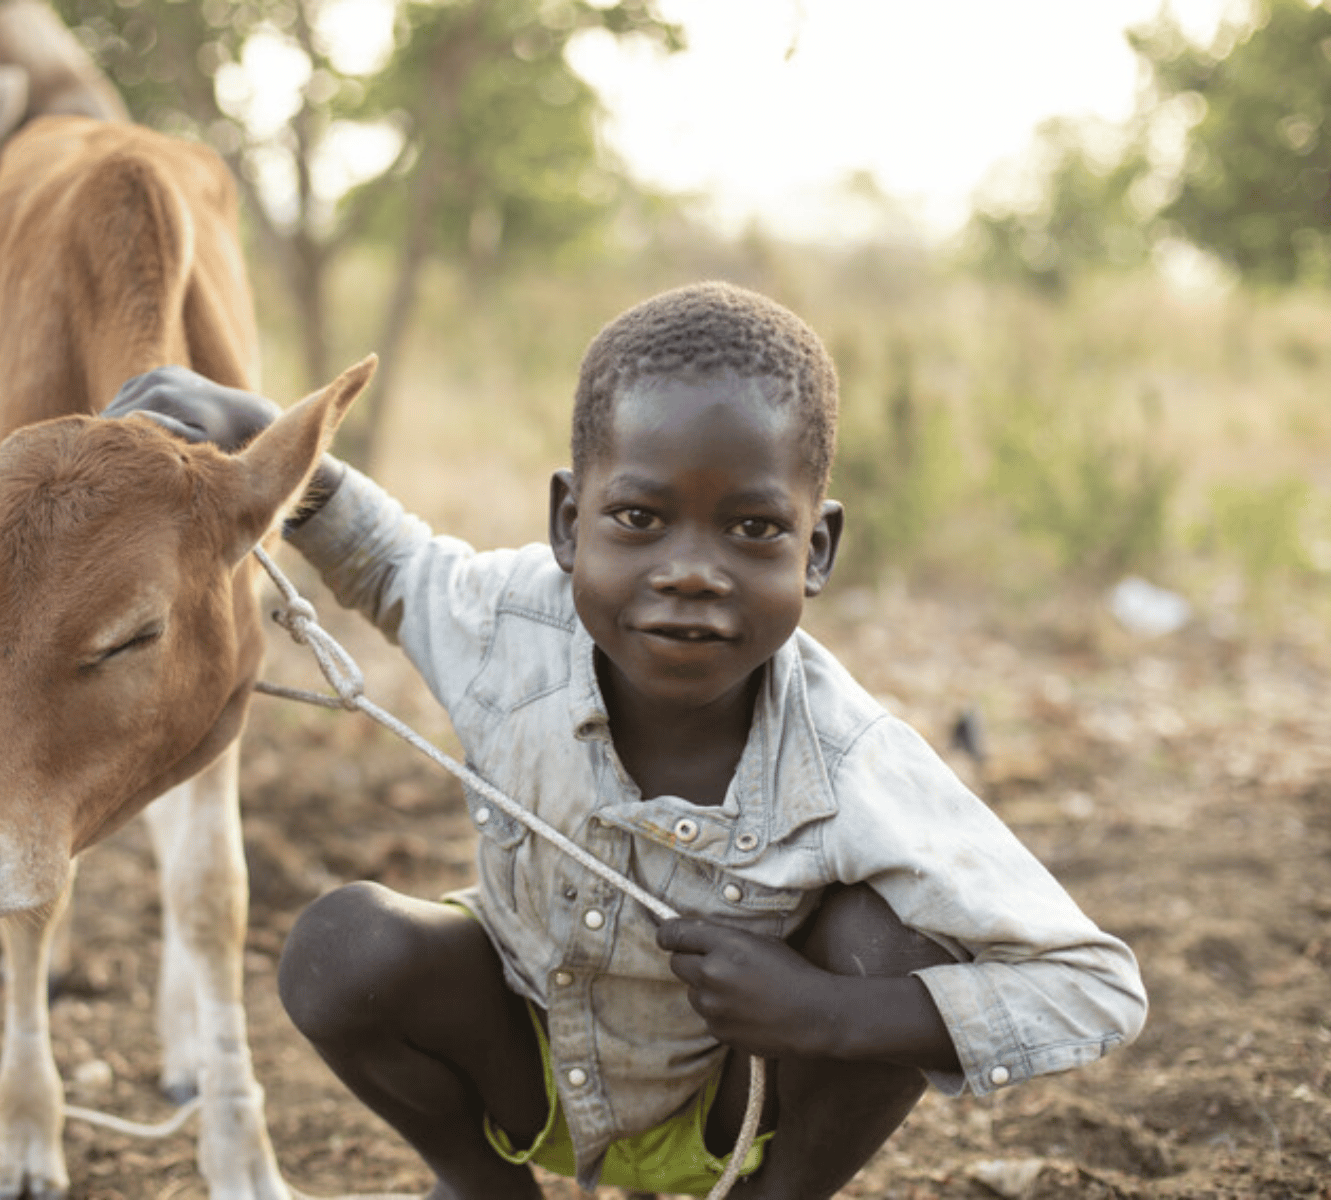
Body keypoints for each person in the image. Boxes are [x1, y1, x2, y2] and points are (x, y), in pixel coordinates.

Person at [107, 281, 1147, 1199]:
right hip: (533, 1075)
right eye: (640, 519)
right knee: (338, 949)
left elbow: (1094, 986)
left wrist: (825, 1013)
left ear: (816, 547)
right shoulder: (510, 630)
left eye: (752, 529)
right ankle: (480, 1186)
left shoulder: (850, 761)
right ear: (569, 523)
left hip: (740, 1112)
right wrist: (255, 429)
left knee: (888, 944)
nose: (691, 570)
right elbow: (391, 564)